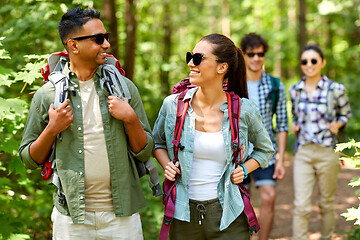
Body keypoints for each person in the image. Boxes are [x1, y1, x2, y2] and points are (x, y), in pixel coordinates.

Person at [19, 7, 154, 239]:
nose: (106, 45)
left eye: (107, 37)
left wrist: (131, 118)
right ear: (73, 45)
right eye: (98, 39)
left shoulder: (124, 88)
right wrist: (52, 129)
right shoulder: (48, 94)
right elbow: (29, 159)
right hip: (71, 217)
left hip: (121, 216)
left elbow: (145, 152)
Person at [153, 33, 274, 239]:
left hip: (229, 215)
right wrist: (167, 164)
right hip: (183, 214)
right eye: (190, 56)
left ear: (222, 67)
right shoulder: (173, 105)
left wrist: (245, 169)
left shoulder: (244, 110)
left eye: (199, 58)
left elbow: (265, 149)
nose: (191, 63)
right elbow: (157, 143)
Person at [289, 44, 351, 240]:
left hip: (327, 151)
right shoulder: (295, 90)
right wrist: (295, 126)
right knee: (301, 205)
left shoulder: (335, 89)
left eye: (313, 60)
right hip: (304, 152)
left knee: (326, 203)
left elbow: (345, 114)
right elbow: (295, 116)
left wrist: (338, 124)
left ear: (322, 63)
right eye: (304, 61)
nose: (309, 64)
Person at [240, 32, 288, 240]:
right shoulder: (232, 85)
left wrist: (281, 159)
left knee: (269, 197)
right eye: (251, 54)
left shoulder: (275, 85)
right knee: (242, 202)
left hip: (265, 154)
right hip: (238, 154)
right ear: (243, 55)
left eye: (260, 54)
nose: (256, 58)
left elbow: (282, 124)